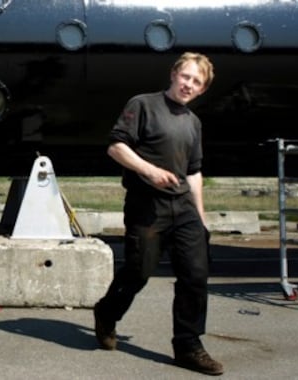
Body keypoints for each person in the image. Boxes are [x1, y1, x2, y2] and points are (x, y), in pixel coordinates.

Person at [93, 52, 223, 376]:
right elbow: (116, 147)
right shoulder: (143, 105)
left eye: (197, 82)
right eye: (186, 77)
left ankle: (188, 346)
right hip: (146, 204)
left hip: (183, 207)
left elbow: (194, 172)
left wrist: (202, 218)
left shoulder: (193, 122)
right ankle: (107, 313)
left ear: (202, 89)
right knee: (139, 272)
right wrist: (149, 171)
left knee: (195, 275)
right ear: (174, 74)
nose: (189, 85)